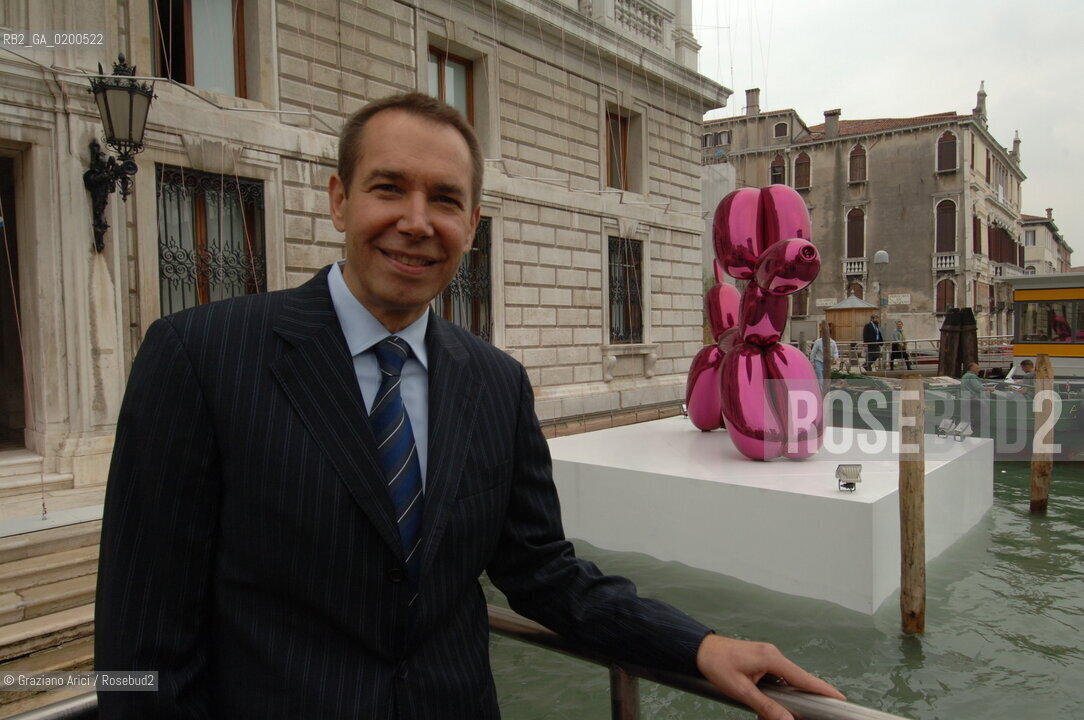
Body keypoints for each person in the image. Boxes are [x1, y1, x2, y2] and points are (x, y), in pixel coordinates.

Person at [95, 93, 842, 720]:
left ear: (473, 225)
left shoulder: (496, 384)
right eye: (389, 188)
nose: (418, 222)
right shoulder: (198, 357)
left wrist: (699, 645)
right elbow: (143, 647)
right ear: (337, 199)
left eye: (446, 200)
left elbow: (543, 572)